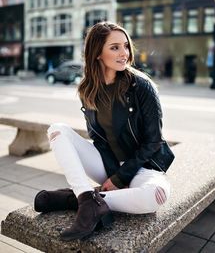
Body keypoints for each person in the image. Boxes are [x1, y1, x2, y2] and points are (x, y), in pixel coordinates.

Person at [34, 21, 174, 241]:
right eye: (115, 47)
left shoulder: (141, 86)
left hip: (143, 167)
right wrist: (112, 175)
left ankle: (81, 200)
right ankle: (87, 198)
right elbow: (99, 141)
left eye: (125, 46)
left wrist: (121, 178)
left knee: (156, 196)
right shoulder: (88, 89)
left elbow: (153, 142)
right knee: (57, 130)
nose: (124, 53)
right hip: (106, 164)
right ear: (97, 52)